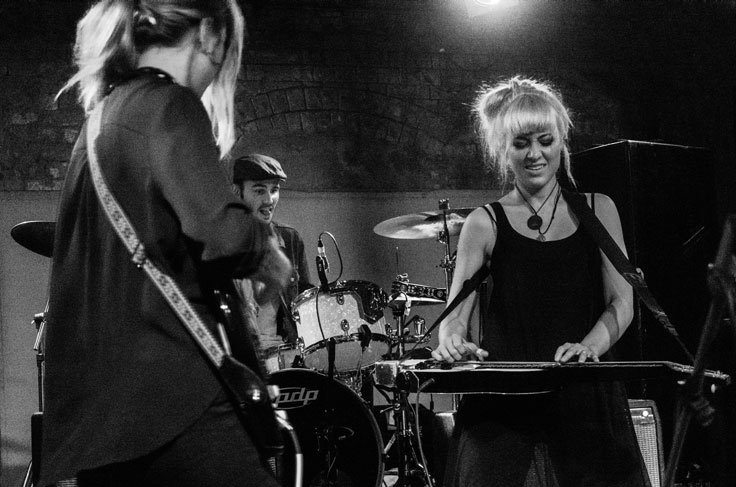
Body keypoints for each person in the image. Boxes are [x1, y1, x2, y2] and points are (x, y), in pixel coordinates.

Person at [39, 1, 291, 486]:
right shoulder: (168, 104)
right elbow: (223, 233)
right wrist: (269, 254)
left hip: (102, 426)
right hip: (174, 400)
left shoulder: (99, 122)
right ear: (210, 35)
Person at [431, 76, 651, 487]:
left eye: (545, 141)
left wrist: (589, 347)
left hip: (584, 396)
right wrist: (452, 341)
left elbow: (623, 303)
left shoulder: (598, 209)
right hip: (506, 402)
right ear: (503, 150)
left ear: (562, 141)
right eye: (521, 144)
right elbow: (454, 316)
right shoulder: (483, 222)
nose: (535, 154)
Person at [231, 153, 312, 371]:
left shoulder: (290, 239)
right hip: (238, 359)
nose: (269, 200)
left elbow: (306, 305)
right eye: (259, 191)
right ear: (237, 193)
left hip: (284, 356)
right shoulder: (219, 245)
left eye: (274, 190)